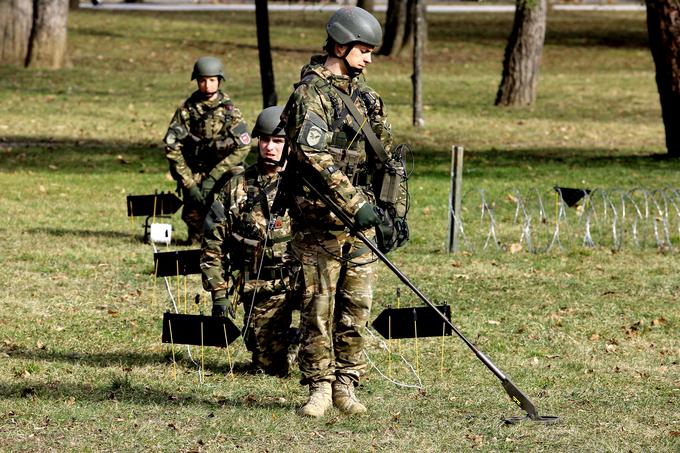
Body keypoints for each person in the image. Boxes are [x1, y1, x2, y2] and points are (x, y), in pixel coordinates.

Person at [281, 6, 393, 417]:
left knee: (356, 306)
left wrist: (391, 211)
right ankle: (319, 387)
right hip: (320, 223)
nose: (368, 58)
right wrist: (355, 203)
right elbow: (310, 154)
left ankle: (347, 383)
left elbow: (383, 157)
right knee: (318, 308)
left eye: (371, 51)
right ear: (341, 45)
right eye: (363, 49)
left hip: (362, 226)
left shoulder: (367, 97)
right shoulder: (311, 94)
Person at [201, 106, 300, 377]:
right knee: (271, 367)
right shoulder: (237, 187)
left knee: (321, 354)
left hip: (305, 282)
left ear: (290, 143)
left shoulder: (307, 184)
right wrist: (219, 294)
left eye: (278, 141)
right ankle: (285, 343)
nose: (270, 147)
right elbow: (213, 243)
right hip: (262, 285)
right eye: (265, 140)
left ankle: (305, 339)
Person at [163, 56, 251, 245]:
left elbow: (244, 145)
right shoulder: (187, 110)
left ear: (219, 81)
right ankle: (198, 233)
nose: (207, 85)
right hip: (194, 172)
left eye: (212, 80)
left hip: (222, 172)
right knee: (196, 227)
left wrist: (214, 175)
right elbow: (172, 146)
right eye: (202, 80)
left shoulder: (230, 111)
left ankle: (234, 232)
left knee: (239, 177)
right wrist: (189, 183)